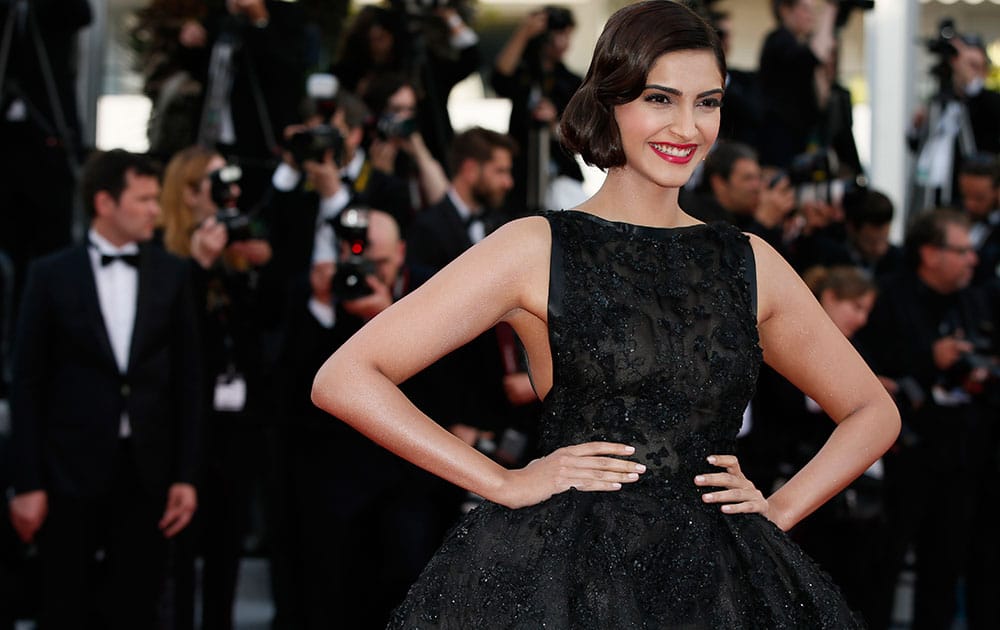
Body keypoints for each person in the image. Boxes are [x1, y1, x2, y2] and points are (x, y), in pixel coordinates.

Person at [311, 2, 899, 627]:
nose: (688, 126)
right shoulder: (536, 247)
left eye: (708, 102)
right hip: (563, 579)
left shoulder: (748, 261)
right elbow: (346, 377)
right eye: (659, 98)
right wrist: (502, 481)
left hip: (718, 585)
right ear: (612, 99)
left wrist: (777, 513)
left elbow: (872, 412)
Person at [7, 149, 202, 628]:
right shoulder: (49, 275)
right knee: (63, 603)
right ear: (104, 202)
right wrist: (26, 483)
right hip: (66, 471)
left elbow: (188, 381)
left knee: (137, 604)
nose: (156, 210)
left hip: (147, 469)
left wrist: (185, 474)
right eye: (144, 200)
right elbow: (26, 384)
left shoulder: (174, 274)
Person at [278, 209, 449, 629]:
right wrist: (319, 306)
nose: (365, 275)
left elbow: (444, 392)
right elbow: (290, 390)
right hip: (333, 477)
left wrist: (387, 320)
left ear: (402, 253)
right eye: (358, 261)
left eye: (380, 264)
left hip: (407, 479)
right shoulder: (316, 293)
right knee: (330, 595)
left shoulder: (432, 290)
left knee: (404, 587)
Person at [854, 208, 1000, 630]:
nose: (974, 259)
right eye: (963, 251)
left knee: (944, 566)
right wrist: (928, 361)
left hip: (965, 457)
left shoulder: (976, 299)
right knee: (884, 565)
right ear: (930, 254)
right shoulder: (887, 298)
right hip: (903, 457)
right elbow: (867, 370)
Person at [158, 145, 277, 629]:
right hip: (184, 429)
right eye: (215, 182)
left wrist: (253, 266)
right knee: (180, 556)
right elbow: (176, 343)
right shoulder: (167, 263)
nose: (227, 191)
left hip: (237, 426)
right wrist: (199, 268)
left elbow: (261, 335)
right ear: (188, 194)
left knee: (228, 545)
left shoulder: (236, 257)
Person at [491, 6, 585, 214]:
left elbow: (580, 137)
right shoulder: (525, 72)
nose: (564, 43)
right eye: (559, 34)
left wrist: (554, 122)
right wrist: (523, 33)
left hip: (559, 173)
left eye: (568, 35)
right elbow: (499, 79)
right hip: (522, 172)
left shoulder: (571, 81)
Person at [757, 0, 838, 170]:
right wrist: (831, 8)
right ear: (786, 10)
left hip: (799, 141)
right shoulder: (779, 40)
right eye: (805, 9)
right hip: (779, 143)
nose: (811, 16)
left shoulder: (795, 43)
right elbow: (816, 54)